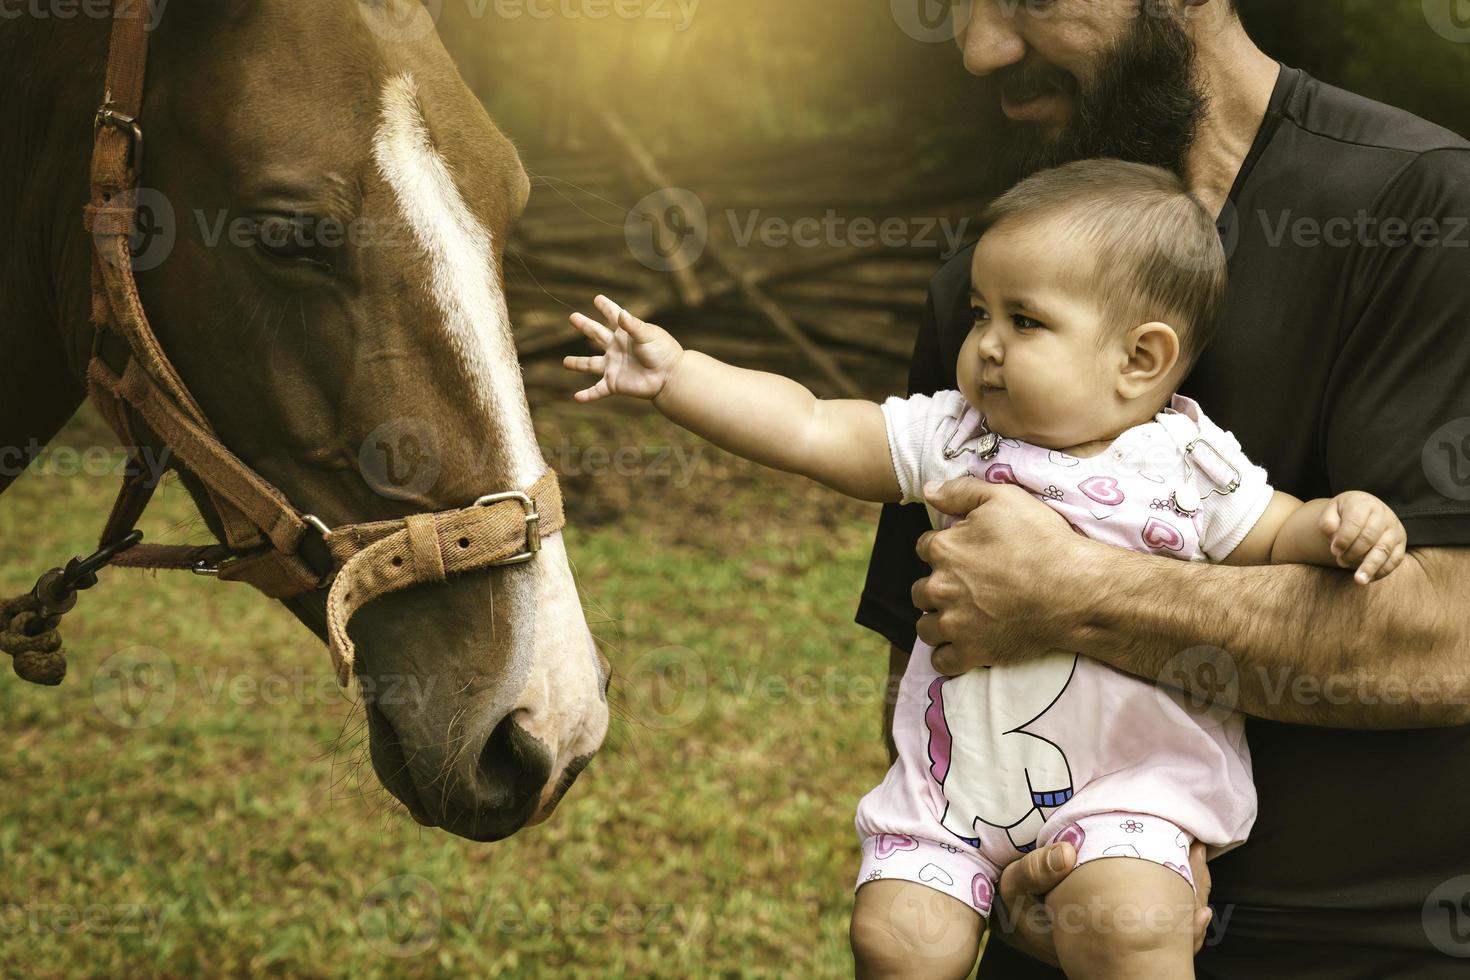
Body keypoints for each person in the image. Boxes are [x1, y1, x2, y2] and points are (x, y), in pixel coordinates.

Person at [562, 158, 1409, 979]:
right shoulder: (954, 433)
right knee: (895, 940)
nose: (986, 346)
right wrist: (678, 378)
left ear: (1141, 359)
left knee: (1127, 931)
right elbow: (814, 427)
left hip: (1128, 798)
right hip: (954, 800)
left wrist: (1343, 521)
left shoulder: (1187, 465)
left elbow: (1276, 533)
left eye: (1024, 321)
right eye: (978, 315)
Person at [859, 1, 1470, 976]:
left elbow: (1451, 637)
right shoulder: (994, 297)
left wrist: (1071, 591)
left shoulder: (1427, 205)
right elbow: (932, 642)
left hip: (1375, 946)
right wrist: (997, 861)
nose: (979, 47)